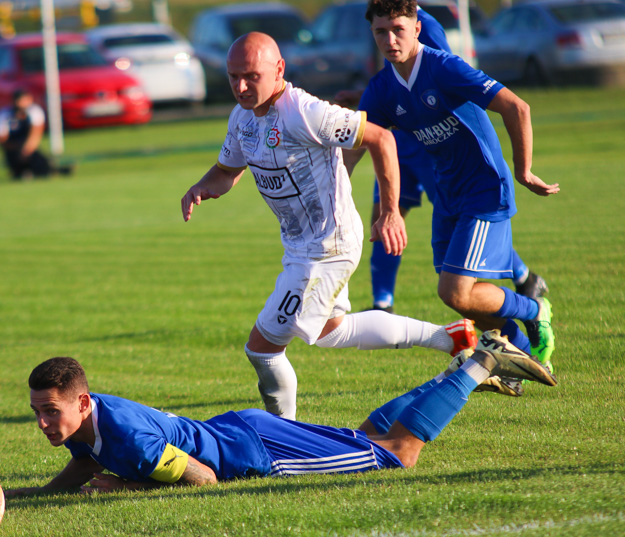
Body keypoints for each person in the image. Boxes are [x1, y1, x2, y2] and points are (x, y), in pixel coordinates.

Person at [180, 32, 480, 421]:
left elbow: (381, 139)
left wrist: (390, 211)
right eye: (233, 76)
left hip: (328, 248)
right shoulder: (242, 119)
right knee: (331, 331)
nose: (240, 86)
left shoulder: (305, 112)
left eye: (252, 76)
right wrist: (202, 187)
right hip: (299, 250)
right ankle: (450, 337)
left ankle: (283, 439)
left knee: (263, 349)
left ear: (279, 70)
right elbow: (227, 171)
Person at [4, 331, 556, 497]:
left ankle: (481, 362)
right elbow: (82, 465)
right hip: (240, 426)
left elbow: (204, 477)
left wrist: (121, 487)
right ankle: (455, 375)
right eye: (37, 413)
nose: (43, 423)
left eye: (50, 412)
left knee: (396, 456)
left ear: (81, 401)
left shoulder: (125, 434)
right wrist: (31, 494)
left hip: (259, 453)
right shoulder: (87, 422)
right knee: (367, 435)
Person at [358, 0, 558, 369]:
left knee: (455, 292)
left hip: (484, 189)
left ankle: (533, 308)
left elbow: (517, 107)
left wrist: (523, 170)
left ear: (416, 28)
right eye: (380, 32)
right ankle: (519, 357)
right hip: (447, 193)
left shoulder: (443, 67)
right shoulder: (382, 88)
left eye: (398, 29)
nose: (390, 39)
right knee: (459, 299)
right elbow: (354, 146)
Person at [0, 89, 58, 180]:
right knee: (16, 168)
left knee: (41, 166)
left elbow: (35, 135)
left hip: (29, 148)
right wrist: (17, 148)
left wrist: (25, 150)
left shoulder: (34, 111)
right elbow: (1, 139)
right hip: (12, 148)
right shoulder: (4, 115)